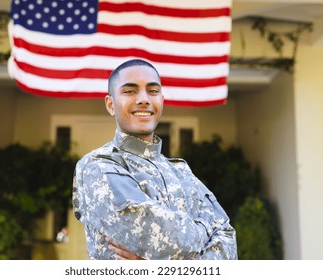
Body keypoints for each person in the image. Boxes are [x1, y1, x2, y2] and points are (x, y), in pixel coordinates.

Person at [72, 59, 237, 260]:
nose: (143, 99)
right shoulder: (98, 166)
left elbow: (228, 241)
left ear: (161, 100)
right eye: (130, 91)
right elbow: (161, 240)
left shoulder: (181, 171)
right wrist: (205, 230)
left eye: (152, 91)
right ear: (110, 104)